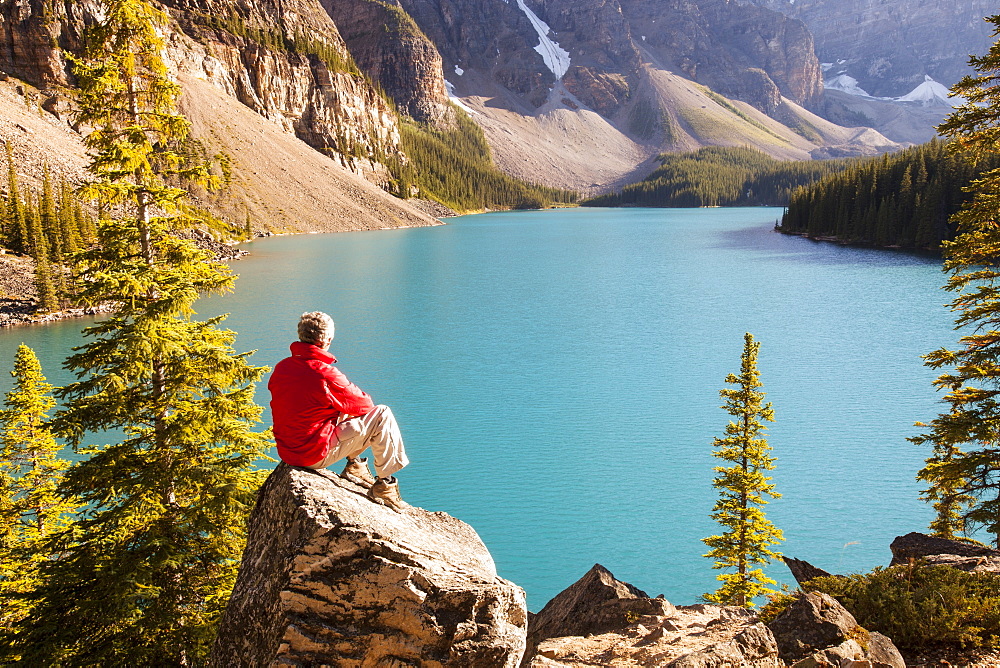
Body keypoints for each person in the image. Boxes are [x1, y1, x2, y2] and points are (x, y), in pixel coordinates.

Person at [268, 311, 410, 511]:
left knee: (340, 407)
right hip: (311, 455)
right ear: (327, 339)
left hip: (288, 450)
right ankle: (385, 485)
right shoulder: (324, 373)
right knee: (381, 415)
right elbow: (364, 404)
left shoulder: (282, 367)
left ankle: (356, 466)